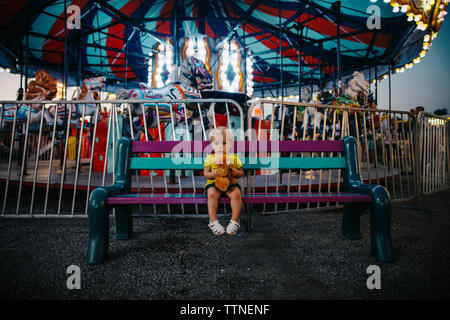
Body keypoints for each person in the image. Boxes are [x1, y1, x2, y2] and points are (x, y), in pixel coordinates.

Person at [203, 127, 244, 235]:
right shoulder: (210, 158)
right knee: (211, 193)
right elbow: (206, 174)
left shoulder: (234, 158)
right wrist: (213, 174)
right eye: (216, 143)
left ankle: (234, 221)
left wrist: (235, 172)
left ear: (231, 144)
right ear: (212, 145)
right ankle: (213, 221)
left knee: (236, 193)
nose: (220, 146)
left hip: (231, 184)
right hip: (214, 184)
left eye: (224, 143)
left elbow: (241, 173)